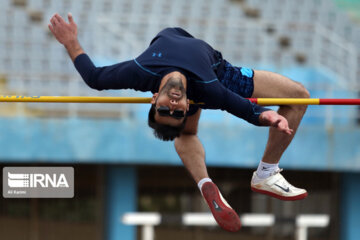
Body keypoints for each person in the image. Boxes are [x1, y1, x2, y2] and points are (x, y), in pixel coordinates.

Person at [49, 13, 310, 232]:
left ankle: (205, 183)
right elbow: (246, 110)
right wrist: (269, 116)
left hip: (201, 72)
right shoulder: (210, 90)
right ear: (188, 106)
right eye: (178, 112)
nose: (174, 107)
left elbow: (95, 78)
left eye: (165, 109)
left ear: (154, 99)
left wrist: (71, 42)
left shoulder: (140, 72)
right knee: (299, 96)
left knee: (186, 133)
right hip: (220, 73)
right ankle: (266, 173)